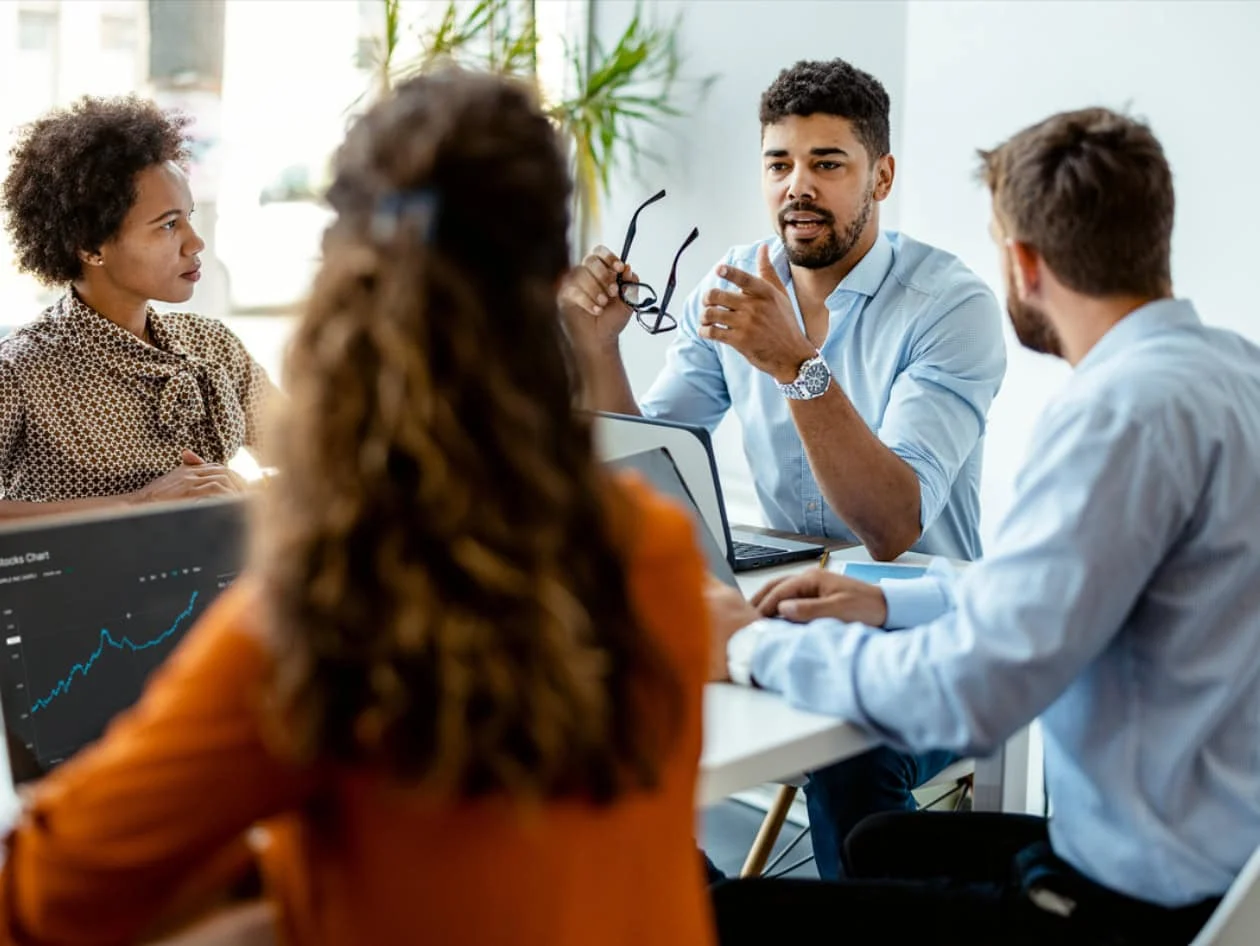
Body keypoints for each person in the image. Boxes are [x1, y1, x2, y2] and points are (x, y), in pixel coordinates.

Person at [0, 71, 714, 946]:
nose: (192, 242)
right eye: (167, 222)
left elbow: (47, 893)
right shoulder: (659, 549)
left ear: (344, 291)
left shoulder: (319, 616)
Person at [706, 106, 1260, 945]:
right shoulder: (1231, 373)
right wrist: (886, 605)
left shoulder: (1116, 417)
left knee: (713, 910)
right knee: (876, 842)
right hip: (1219, 858)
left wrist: (749, 647)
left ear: (1024, 263)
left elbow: (967, 696)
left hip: (1127, 908)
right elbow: (1061, 596)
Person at [562, 57, 1006, 880]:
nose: (798, 186)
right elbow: (648, 462)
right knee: (599, 695)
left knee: (851, 758)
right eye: (780, 164)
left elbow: (892, 523)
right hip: (781, 605)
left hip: (925, 623)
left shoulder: (952, 307)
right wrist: (599, 349)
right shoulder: (733, 285)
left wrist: (797, 366)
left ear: (882, 175)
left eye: (828, 163)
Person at [0, 95, 276, 519]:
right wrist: (136, 504)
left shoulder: (212, 344)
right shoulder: (20, 371)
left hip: (224, 582)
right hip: (90, 587)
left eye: (188, 216)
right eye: (168, 225)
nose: (195, 242)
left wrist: (247, 494)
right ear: (91, 246)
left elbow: (313, 456)